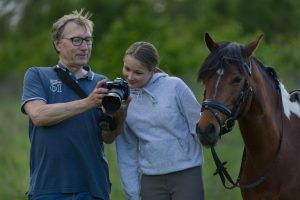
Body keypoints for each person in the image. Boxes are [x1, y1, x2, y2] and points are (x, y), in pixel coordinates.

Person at [21, 9, 129, 200]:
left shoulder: (103, 82)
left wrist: (120, 114)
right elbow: (39, 116)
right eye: (76, 40)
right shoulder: (37, 75)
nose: (84, 47)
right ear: (58, 44)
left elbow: (108, 137)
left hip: (92, 187)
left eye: (88, 40)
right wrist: (88, 102)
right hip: (48, 187)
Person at [116, 41, 204, 200]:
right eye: (127, 69)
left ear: (152, 70)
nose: (130, 76)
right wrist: (133, 193)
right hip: (151, 179)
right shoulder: (122, 98)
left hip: (186, 172)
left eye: (138, 72)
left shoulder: (175, 87)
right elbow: (126, 150)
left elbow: (199, 128)